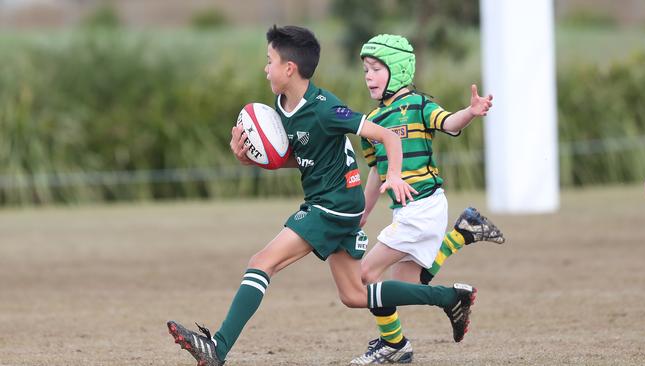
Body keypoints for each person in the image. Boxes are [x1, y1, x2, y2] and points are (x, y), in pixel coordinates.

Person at [166, 25, 477, 366]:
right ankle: (450, 297)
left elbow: (388, 136)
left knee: (261, 263)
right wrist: (252, 158)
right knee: (355, 295)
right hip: (334, 203)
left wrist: (393, 175)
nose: (265, 68)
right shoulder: (281, 105)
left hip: (333, 205)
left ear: (289, 68)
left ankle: (218, 349)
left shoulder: (326, 108)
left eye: (269, 60)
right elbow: (297, 156)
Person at [349, 34, 505, 365]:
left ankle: (397, 342)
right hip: (410, 212)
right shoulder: (373, 122)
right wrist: (363, 213)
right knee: (407, 285)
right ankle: (462, 233)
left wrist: (471, 111)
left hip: (423, 206)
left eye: (376, 69)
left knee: (366, 275)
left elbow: (448, 122)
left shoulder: (418, 105)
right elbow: (377, 173)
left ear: (399, 69)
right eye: (365, 70)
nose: (368, 76)